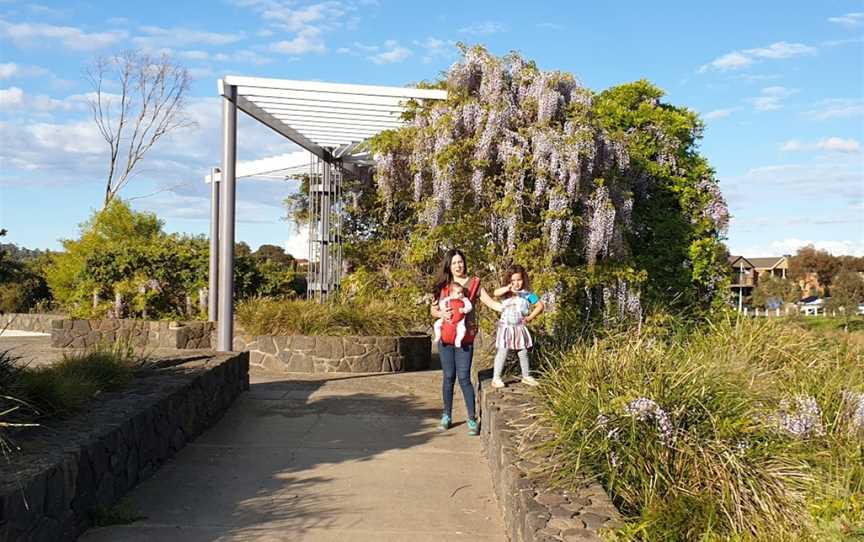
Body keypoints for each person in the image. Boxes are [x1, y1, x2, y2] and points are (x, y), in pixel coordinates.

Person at [430, 249, 498, 436]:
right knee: (448, 377)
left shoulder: (474, 283)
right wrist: (441, 313)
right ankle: (446, 415)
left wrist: (510, 307)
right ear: (449, 266)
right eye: (454, 263)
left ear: (464, 263)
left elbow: (490, 302)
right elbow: (433, 310)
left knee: (464, 377)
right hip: (445, 337)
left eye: (460, 262)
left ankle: (471, 418)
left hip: (465, 338)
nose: (458, 266)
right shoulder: (443, 286)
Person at [488, 265, 545, 389]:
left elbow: (540, 305)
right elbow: (495, 293)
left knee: (522, 351)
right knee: (503, 351)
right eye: (513, 280)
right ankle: (496, 378)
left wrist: (529, 318)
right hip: (506, 327)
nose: (516, 283)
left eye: (519, 280)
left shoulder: (527, 294)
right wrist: (507, 288)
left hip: (519, 327)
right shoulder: (506, 293)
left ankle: (526, 376)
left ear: (523, 279)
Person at [432, 281, 473, 348]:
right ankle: (438, 335)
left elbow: (469, 307)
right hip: (447, 319)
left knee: (462, 329)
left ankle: (458, 340)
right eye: (458, 293)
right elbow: (442, 304)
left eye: (462, 292)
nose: (461, 294)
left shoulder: (464, 299)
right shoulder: (448, 299)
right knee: (437, 324)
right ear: (452, 294)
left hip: (459, 320)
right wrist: (443, 309)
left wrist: (464, 310)